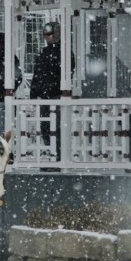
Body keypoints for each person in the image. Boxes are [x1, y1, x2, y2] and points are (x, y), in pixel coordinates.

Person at [30, 22, 75, 166]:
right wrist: (34, 91)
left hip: (56, 96)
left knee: (56, 127)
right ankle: (52, 156)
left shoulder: (64, 52)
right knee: (45, 127)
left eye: (49, 34)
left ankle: (58, 157)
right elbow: (37, 74)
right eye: (45, 35)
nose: (46, 38)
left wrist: (53, 87)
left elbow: (67, 73)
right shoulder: (44, 53)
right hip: (44, 97)